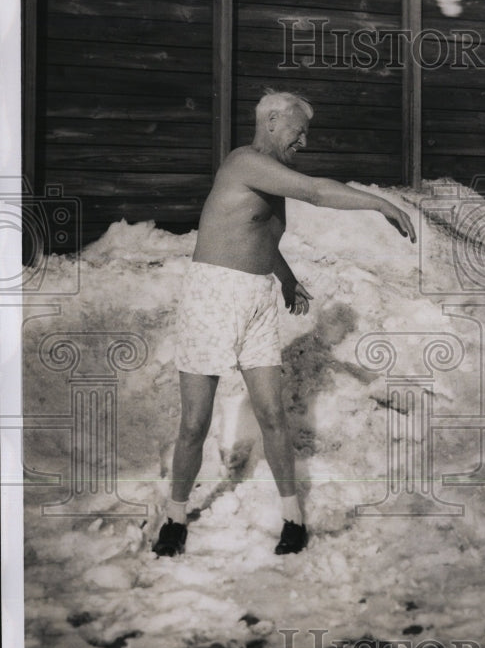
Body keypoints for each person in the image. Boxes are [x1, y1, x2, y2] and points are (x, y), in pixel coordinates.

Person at [153, 90, 416, 557]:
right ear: (272, 120)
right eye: (300, 129)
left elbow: (255, 235)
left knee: (273, 414)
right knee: (195, 423)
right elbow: (317, 190)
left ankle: (292, 517)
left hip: (256, 297)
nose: (305, 141)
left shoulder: (270, 178)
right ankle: (175, 516)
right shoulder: (243, 162)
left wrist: (287, 280)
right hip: (212, 296)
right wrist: (380, 204)